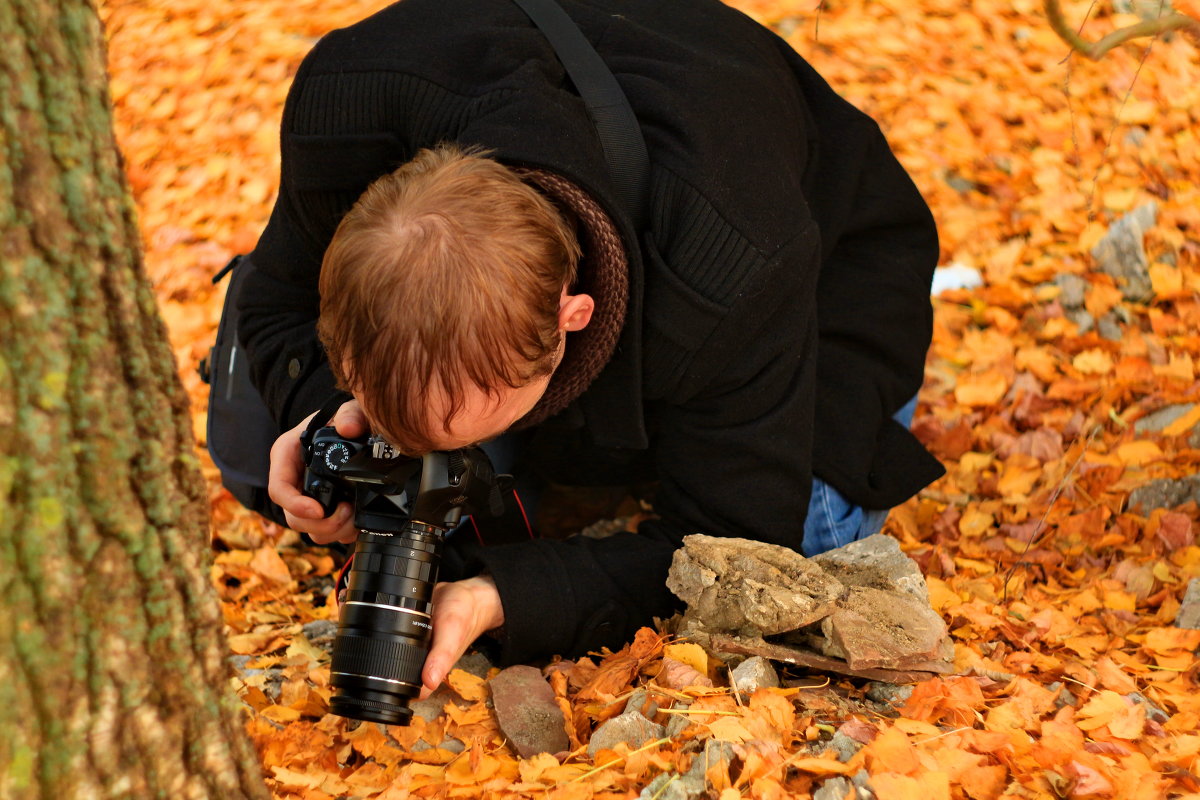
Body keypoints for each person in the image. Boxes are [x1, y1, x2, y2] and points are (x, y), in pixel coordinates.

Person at [235, 0, 945, 698]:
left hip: (827, 282)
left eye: (443, 421)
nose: (398, 446)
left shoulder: (732, 267)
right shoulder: (344, 109)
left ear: (571, 317)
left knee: (794, 553)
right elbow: (272, 301)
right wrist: (323, 413)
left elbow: (737, 536)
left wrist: (501, 597)